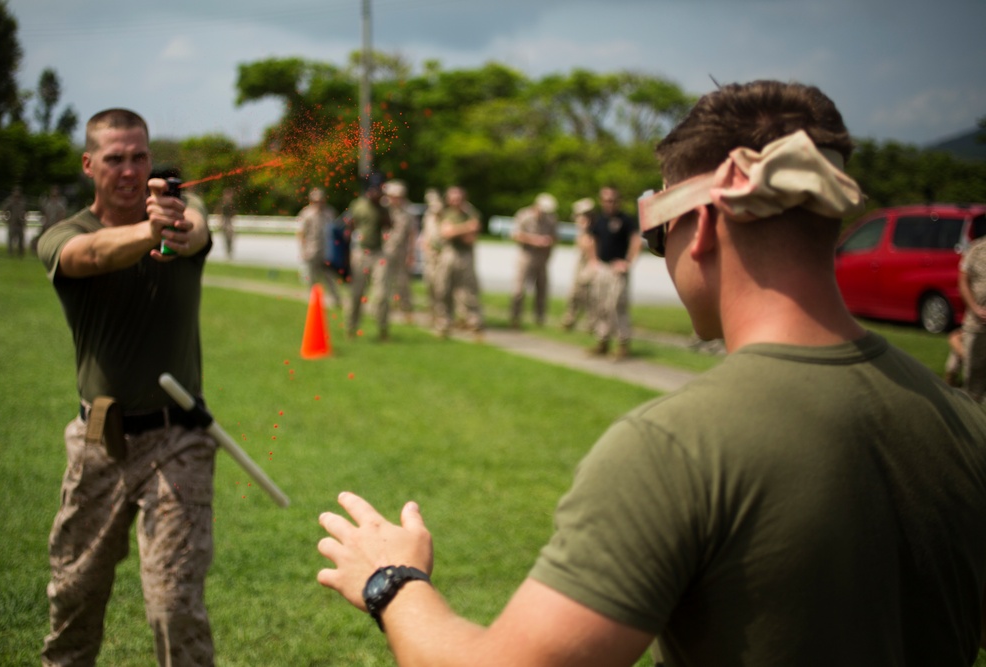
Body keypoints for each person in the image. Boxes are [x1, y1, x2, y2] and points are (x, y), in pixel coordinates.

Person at [314, 81, 986, 666]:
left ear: (699, 231)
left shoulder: (676, 447)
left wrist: (391, 579)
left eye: (658, 233)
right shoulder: (962, 420)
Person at [37, 108, 217, 666]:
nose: (129, 168)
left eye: (139, 156)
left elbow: (193, 236)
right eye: (114, 158)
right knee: (75, 595)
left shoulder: (185, 218)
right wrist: (148, 232)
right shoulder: (64, 235)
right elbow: (89, 257)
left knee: (173, 605)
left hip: (177, 438)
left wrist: (171, 226)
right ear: (89, 164)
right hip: (100, 438)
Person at [586, 185, 641, 360]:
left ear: (618, 200)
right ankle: (602, 341)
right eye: (606, 200)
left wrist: (628, 262)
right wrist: (593, 261)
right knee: (601, 305)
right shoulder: (598, 220)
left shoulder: (626, 220)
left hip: (618, 270)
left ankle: (623, 344)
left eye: (613, 200)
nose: (609, 203)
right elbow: (591, 240)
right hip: (602, 267)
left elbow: (636, 241)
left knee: (617, 305)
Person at [345, 173, 393, 340]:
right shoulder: (358, 205)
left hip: (378, 253)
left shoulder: (383, 207)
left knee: (381, 294)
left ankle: (383, 330)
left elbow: (389, 225)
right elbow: (348, 227)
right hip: (360, 252)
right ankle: (351, 328)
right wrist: (346, 255)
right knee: (356, 293)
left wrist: (382, 206)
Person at [433, 185, 484, 338]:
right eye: (453, 198)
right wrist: (466, 228)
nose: (456, 201)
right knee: (443, 288)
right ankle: (444, 322)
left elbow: (471, 238)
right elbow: (446, 233)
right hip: (449, 253)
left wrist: (457, 230)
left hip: (465, 255)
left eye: (458, 198)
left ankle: (473, 321)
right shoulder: (446, 213)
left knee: (469, 290)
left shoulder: (471, 213)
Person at [509, 192, 559, 328]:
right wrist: (534, 240)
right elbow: (515, 235)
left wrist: (549, 241)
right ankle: (515, 317)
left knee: (542, 289)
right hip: (526, 255)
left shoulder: (551, 219)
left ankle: (540, 318)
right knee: (519, 289)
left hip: (542, 258)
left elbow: (555, 237)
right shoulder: (524, 215)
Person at [296, 187, 343, 309]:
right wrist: (303, 250)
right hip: (312, 250)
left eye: (320, 200)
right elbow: (301, 233)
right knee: (311, 277)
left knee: (329, 276)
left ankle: (336, 299)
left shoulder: (330, 212)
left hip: (327, 251)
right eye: (316, 201)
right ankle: (313, 300)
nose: (319, 203)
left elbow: (336, 231)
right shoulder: (306, 214)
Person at [383, 179, 418, 323]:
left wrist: (411, 254)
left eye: (399, 195)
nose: (396, 198)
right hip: (384, 250)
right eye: (393, 195)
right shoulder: (382, 209)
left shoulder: (408, 211)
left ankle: (405, 308)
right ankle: (385, 307)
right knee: (383, 279)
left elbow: (412, 234)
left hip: (401, 250)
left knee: (403, 281)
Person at [561, 197, 597, 332]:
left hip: (588, 261)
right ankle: (570, 318)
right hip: (581, 261)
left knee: (588, 293)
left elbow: (588, 244)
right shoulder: (582, 226)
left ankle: (591, 322)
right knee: (575, 292)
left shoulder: (593, 227)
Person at [959, 235, 986, 402]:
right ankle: (971, 412)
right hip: (977, 325)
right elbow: (963, 282)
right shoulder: (976, 250)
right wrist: (975, 309)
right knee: (973, 372)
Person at [419, 188, 444, 328]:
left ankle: (441, 316)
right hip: (429, 257)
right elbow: (425, 234)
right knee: (430, 285)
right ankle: (432, 313)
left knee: (441, 287)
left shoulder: (444, 214)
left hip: (441, 256)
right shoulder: (428, 216)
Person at [33, 185, 68, 253]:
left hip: (57, 224)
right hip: (48, 224)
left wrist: (60, 223)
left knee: (57, 239)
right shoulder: (48, 203)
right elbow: (45, 213)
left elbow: (62, 214)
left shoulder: (60, 204)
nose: (54, 196)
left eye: (55, 194)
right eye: (52, 194)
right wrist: (45, 222)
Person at [1, 185, 27, 257]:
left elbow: (25, 211)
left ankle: (20, 253)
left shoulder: (23, 201)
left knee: (21, 239)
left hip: (20, 223)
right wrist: (5, 219)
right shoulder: (10, 201)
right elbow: (4, 210)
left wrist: (24, 219)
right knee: (11, 239)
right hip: (12, 223)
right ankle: (10, 253)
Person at [216, 187, 237, 260]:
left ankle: (230, 249)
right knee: (224, 236)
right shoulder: (223, 203)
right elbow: (219, 211)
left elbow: (234, 213)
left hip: (229, 220)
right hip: (224, 219)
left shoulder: (231, 203)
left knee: (230, 235)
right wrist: (219, 221)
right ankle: (227, 250)